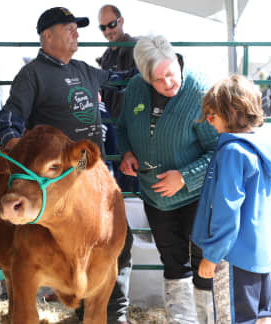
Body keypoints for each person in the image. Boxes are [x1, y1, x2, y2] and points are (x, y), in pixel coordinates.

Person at [0, 7, 133, 324]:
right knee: (46, 245)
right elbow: (10, 115)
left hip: (93, 176)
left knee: (118, 245)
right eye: (69, 28)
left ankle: (113, 313)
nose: (77, 34)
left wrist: (155, 69)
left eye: (77, 29)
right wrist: (11, 141)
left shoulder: (86, 70)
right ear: (48, 35)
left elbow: (120, 80)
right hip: (55, 182)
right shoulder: (32, 75)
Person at [116, 35, 218, 324]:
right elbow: (123, 127)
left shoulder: (199, 91)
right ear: (145, 77)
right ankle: (181, 320)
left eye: (171, 74)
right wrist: (126, 152)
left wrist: (184, 177)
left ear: (177, 62)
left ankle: (208, 319)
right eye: (159, 79)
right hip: (155, 195)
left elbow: (218, 151)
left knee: (203, 262)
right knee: (172, 261)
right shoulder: (135, 89)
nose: (169, 83)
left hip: (196, 195)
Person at [192, 75, 271, 324]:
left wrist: (212, 254)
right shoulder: (268, 149)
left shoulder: (232, 153)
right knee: (263, 317)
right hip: (260, 256)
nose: (208, 120)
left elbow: (227, 210)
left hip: (234, 256)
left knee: (233, 318)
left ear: (230, 112)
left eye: (212, 114)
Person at [96, 4, 139, 193]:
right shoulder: (106, 56)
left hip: (132, 125)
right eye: (102, 27)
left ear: (121, 21)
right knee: (118, 173)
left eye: (111, 24)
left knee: (131, 175)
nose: (107, 31)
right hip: (111, 126)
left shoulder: (136, 48)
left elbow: (137, 83)